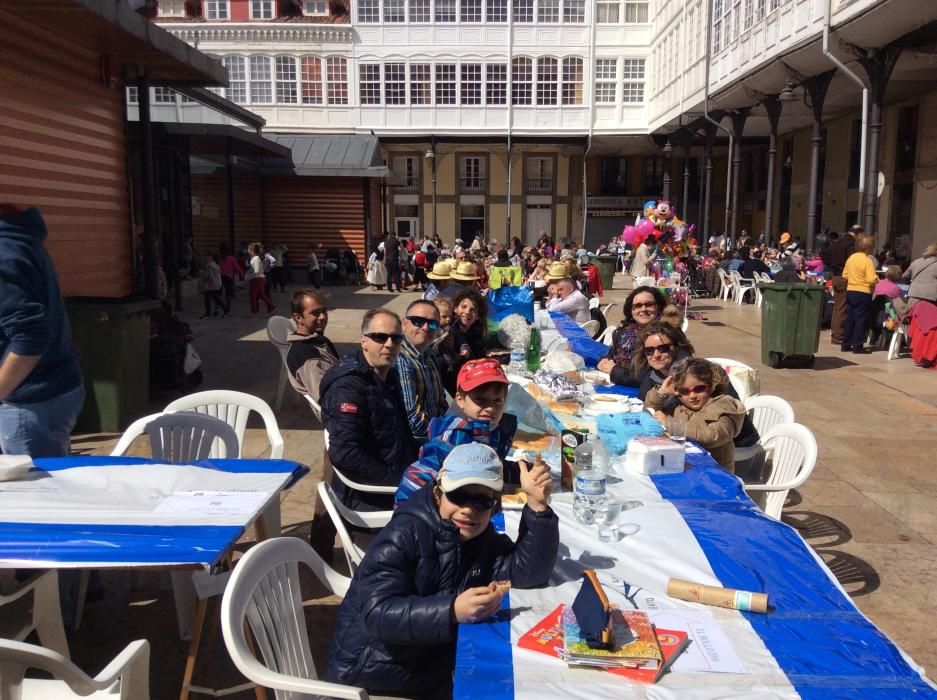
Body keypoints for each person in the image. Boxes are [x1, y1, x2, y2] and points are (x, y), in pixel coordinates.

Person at [326, 442, 558, 698]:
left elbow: (527, 573)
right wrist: (451, 610)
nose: (468, 509)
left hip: (431, 660)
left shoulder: (480, 537)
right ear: (438, 493)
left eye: (482, 500)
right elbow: (376, 614)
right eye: (458, 495)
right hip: (375, 673)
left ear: (494, 506)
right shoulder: (404, 535)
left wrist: (538, 507)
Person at [0, 204, 85, 458]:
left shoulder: (5, 253)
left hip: (30, 400)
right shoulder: (18, 240)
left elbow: (29, 338)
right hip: (47, 390)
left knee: (37, 492)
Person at [319, 309, 418, 511]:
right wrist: (401, 481)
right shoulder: (348, 387)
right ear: (364, 341)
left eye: (397, 338)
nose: (389, 344)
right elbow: (345, 453)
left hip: (397, 474)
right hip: (370, 495)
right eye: (380, 337)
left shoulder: (387, 375)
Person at [396, 357, 520, 504]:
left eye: (497, 401)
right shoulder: (454, 437)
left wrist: (521, 472)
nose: (490, 408)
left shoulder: (494, 431)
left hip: (478, 502)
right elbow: (417, 477)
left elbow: (489, 466)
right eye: (480, 400)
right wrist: (417, 515)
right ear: (460, 400)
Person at [645, 358, 746, 472]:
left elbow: (713, 436)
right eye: (684, 391)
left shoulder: (723, 406)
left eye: (699, 389)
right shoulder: (679, 405)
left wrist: (671, 424)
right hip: (684, 465)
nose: (692, 395)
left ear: (712, 385)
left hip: (714, 473)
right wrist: (661, 393)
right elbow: (648, 414)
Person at [397, 300, 448, 444]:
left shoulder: (429, 355)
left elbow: (441, 401)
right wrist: (441, 436)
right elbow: (411, 417)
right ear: (404, 324)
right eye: (418, 321)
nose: (426, 327)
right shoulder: (401, 358)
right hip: (416, 443)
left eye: (432, 324)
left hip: (435, 435)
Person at [597, 286, 667, 386]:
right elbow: (612, 353)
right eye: (638, 306)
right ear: (631, 310)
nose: (643, 309)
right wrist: (604, 362)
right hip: (620, 385)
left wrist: (614, 370)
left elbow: (653, 377)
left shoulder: (665, 336)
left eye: (649, 304)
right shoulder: (624, 333)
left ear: (658, 307)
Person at [286, 289, 339, 401]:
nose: (322, 317)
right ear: (298, 318)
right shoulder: (306, 357)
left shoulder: (317, 340)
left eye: (324, 311)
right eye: (315, 313)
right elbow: (327, 397)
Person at [842, 233, 878, 354]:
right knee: (861, 319)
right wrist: (876, 279)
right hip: (863, 292)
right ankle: (858, 345)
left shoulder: (851, 258)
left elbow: (845, 275)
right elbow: (871, 279)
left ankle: (846, 344)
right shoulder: (867, 261)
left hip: (851, 290)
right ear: (868, 247)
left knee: (850, 319)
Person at [829, 224, 861, 345]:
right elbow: (853, 261)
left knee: (837, 306)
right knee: (842, 307)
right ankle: (838, 336)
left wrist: (832, 266)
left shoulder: (837, 242)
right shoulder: (851, 244)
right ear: (858, 234)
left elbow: (824, 254)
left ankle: (836, 333)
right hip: (844, 276)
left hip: (835, 275)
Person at [450, 288, 487, 365]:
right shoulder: (449, 332)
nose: (467, 312)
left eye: (472, 309)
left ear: (478, 315)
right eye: (464, 307)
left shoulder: (477, 335)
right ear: (455, 309)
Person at [246, 242, 277, 317]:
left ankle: (254, 312)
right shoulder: (255, 258)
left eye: (248, 249)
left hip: (257, 279)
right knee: (261, 295)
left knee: (252, 295)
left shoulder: (256, 258)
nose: (248, 251)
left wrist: (248, 276)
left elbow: (256, 271)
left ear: (252, 250)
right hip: (259, 278)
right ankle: (273, 308)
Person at [903, 242, 937, 306]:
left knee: (913, 315)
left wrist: (912, 283)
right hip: (931, 297)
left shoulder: (916, 261)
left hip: (913, 294)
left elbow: (904, 276)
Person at [199, 251, 229, 319]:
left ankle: (208, 313)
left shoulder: (209, 265)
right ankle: (225, 310)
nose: (205, 258)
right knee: (215, 298)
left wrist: (201, 274)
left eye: (206, 256)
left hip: (211, 285)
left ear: (210, 257)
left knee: (209, 299)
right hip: (216, 284)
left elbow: (208, 276)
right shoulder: (215, 264)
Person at [218, 242, 244, 307]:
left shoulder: (219, 257)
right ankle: (227, 308)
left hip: (219, 276)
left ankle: (217, 307)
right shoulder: (231, 258)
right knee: (227, 294)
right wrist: (242, 274)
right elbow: (237, 267)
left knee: (218, 293)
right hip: (228, 277)